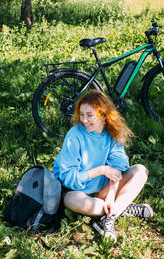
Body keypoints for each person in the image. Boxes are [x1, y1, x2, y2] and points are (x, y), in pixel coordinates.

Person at [52, 90, 153, 242]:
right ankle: (121, 208)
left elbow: (117, 167)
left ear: (103, 115)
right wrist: (101, 170)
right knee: (72, 201)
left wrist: (111, 194)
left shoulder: (112, 133)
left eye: (89, 115)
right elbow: (68, 178)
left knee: (140, 170)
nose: (84, 120)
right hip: (78, 191)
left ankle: (108, 216)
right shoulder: (75, 135)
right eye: (82, 114)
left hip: (102, 191)